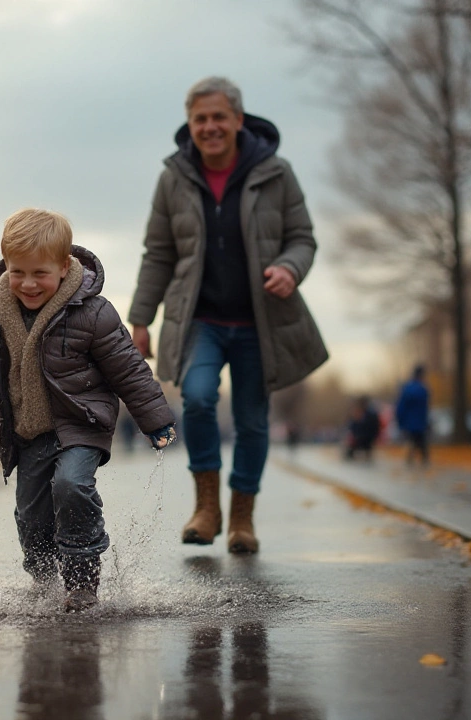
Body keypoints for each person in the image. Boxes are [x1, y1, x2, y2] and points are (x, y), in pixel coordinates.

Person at [0, 208, 176, 612]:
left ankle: (83, 581)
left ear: (64, 266)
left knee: (71, 486)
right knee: (32, 516)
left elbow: (129, 369)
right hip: (29, 430)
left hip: (81, 425)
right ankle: (44, 581)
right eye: (18, 272)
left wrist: (156, 421)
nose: (28, 284)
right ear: (5, 267)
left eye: (41, 274)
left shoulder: (93, 313)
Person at [127, 77, 328, 554]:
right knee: (196, 398)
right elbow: (158, 253)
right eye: (201, 119)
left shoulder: (275, 173)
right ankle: (206, 507)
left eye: (219, 117)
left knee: (253, 420)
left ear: (239, 119)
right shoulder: (173, 177)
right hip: (200, 320)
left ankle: (242, 517)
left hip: (261, 321)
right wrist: (140, 320)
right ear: (189, 124)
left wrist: (289, 268)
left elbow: (303, 238)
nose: (210, 127)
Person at [395, 365, 431, 466]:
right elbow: (426, 408)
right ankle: (424, 459)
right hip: (420, 421)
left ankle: (411, 459)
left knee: (412, 440)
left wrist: (400, 420)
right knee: (421, 440)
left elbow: (401, 407)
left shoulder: (407, 389)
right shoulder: (424, 389)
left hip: (409, 422)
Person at [345, 397, 381, 461]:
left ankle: (366, 456)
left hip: (367, 437)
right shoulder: (357, 414)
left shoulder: (370, 415)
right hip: (360, 437)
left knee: (366, 449)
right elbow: (353, 427)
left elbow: (375, 428)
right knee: (349, 451)